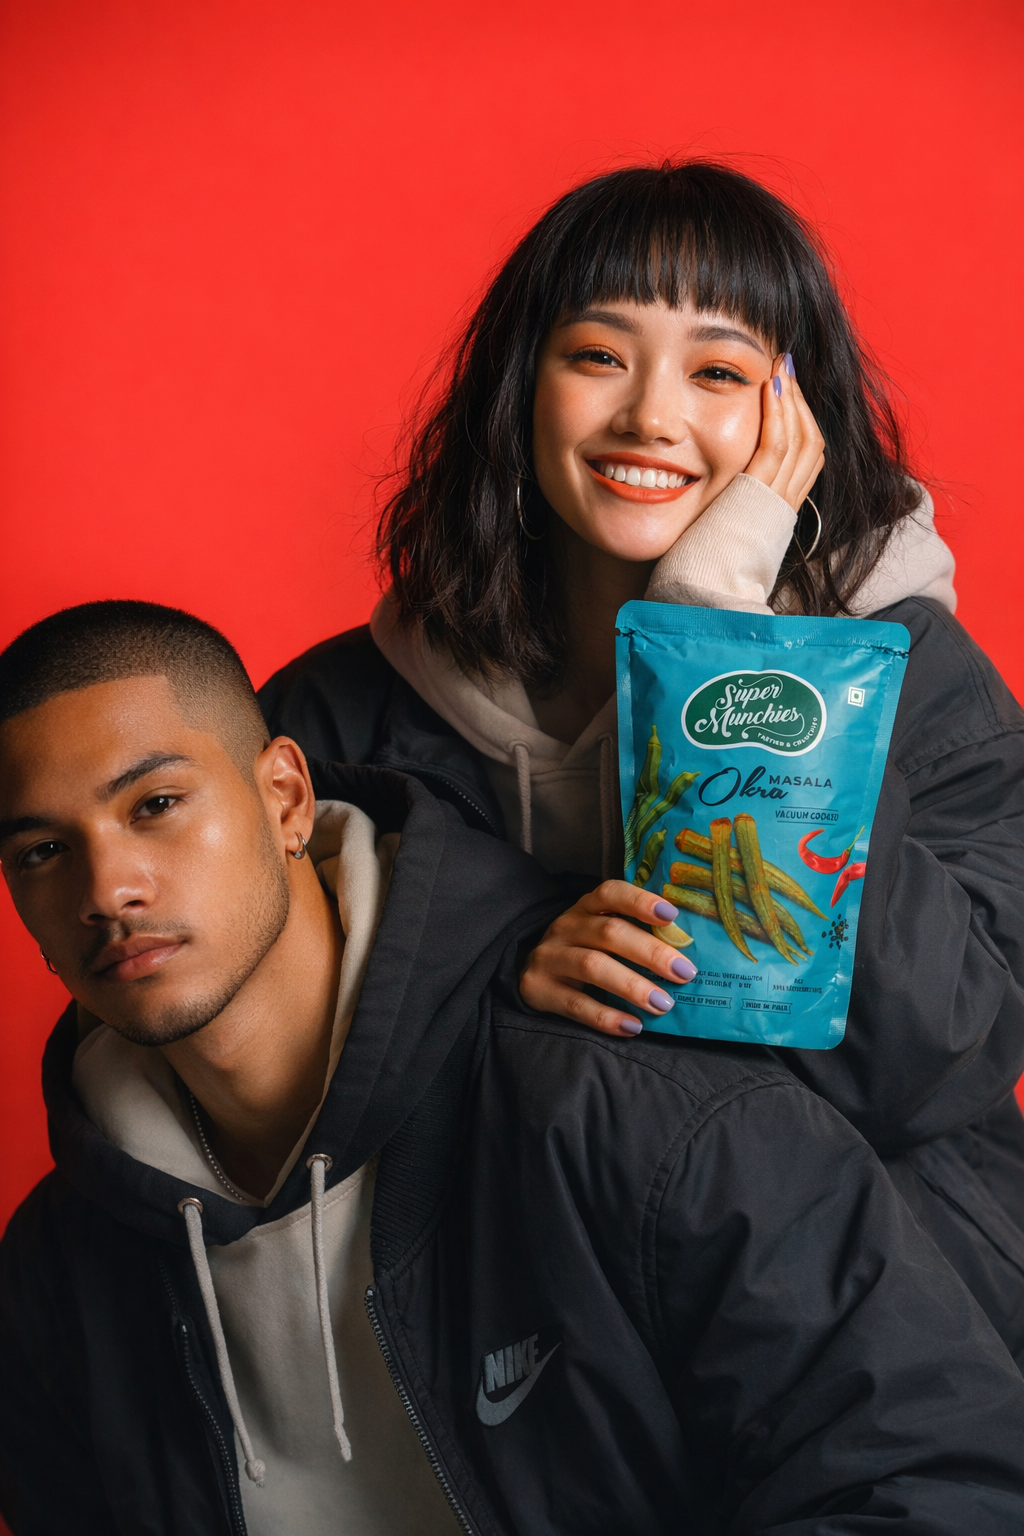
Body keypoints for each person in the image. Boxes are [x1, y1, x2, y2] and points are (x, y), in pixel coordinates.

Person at [2, 601, 1024, 1536]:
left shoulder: (632, 1114)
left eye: (155, 806)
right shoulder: (58, 1271)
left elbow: (938, 1481)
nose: (108, 888)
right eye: (43, 851)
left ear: (284, 797)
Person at [259, 160, 1024, 1365]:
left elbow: (932, 1061)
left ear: (797, 419)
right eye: (598, 356)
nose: (649, 419)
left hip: (883, 1333)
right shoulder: (340, 714)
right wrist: (504, 963)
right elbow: (263, 1053)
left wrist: (719, 632)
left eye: (718, 373)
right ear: (523, 387)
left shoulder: (915, 672)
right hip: (512, 1354)